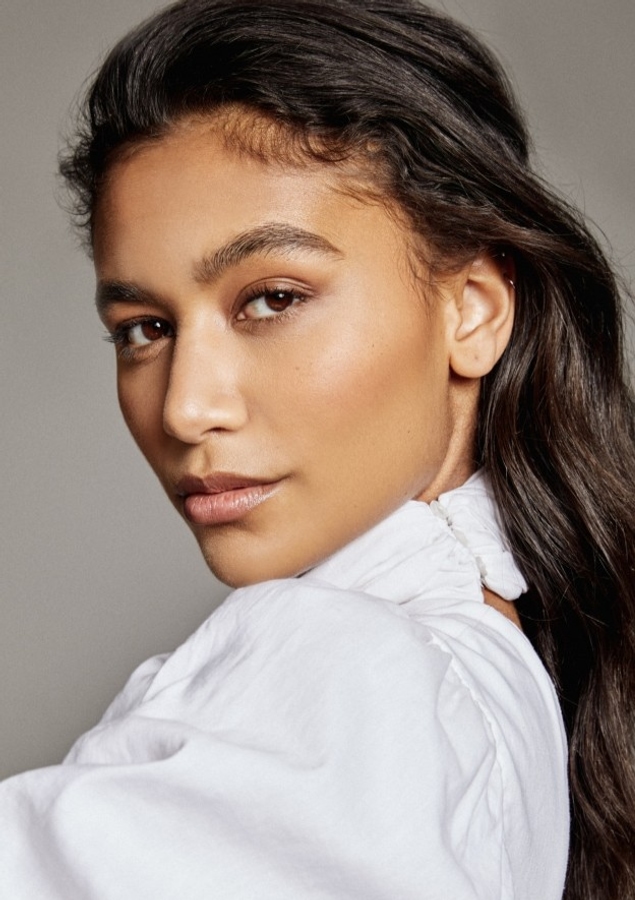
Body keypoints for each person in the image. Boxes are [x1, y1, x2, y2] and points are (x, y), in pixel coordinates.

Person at [1, 0, 633, 897]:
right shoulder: (486, 674)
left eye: (273, 299)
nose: (184, 407)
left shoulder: (353, 666)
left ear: (472, 311)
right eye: (145, 328)